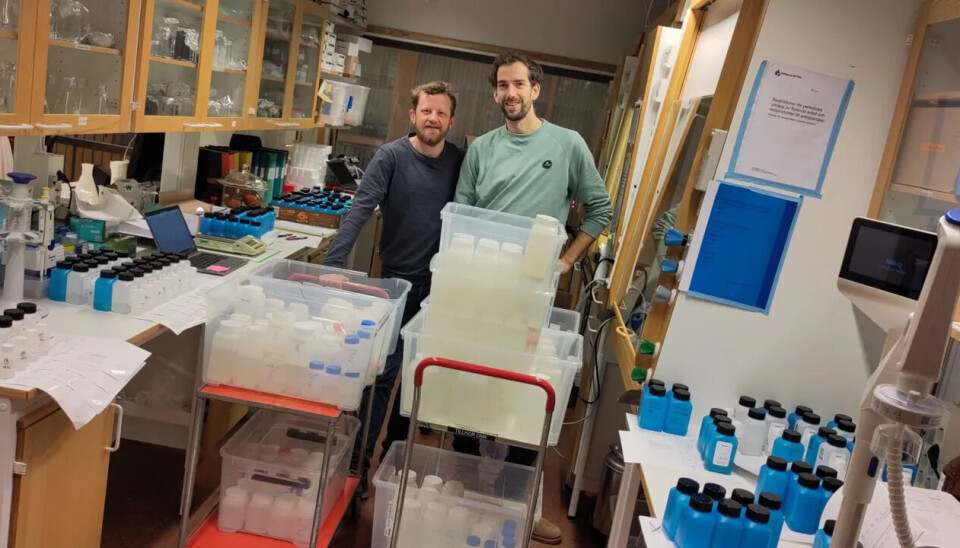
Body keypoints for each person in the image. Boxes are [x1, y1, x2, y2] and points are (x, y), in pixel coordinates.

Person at [453, 51, 614, 545]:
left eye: (519, 84)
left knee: (524, 395)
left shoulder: (567, 144)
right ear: (496, 92)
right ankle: (459, 492)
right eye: (502, 85)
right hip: (480, 291)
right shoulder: (481, 149)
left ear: (536, 90)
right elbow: (462, 215)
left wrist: (565, 262)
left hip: (532, 296)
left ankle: (516, 505)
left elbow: (601, 211)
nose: (511, 94)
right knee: (470, 387)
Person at [323, 81, 465, 493]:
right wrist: (334, 265)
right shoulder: (391, 157)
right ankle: (358, 467)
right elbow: (361, 208)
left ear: (451, 121)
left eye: (440, 113)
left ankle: (395, 466)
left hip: (441, 291)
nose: (433, 119)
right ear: (413, 114)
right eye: (426, 111)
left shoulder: (460, 161)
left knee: (421, 380)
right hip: (396, 287)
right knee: (381, 379)